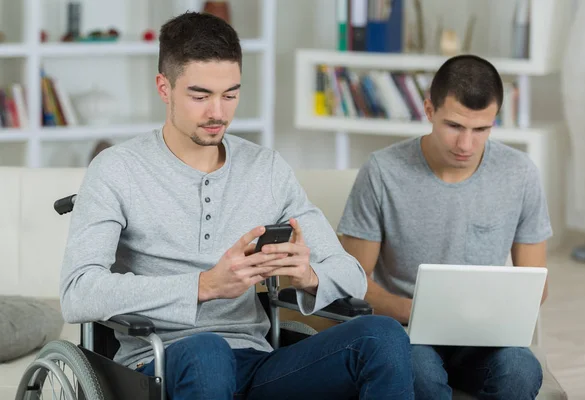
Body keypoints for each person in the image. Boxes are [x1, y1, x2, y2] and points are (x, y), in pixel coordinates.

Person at [59, 11, 415, 400]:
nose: (218, 113)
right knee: (207, 351)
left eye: (230, 95)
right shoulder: (117, 169)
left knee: (382, 335)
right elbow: (78, 291)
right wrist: (202, 286)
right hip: (160, 365)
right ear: (164, 88)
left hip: (256, 363)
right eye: (200, 95)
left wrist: (308, 276)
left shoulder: (267, 169)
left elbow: (350, 275)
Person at [337, 54, 551, 400]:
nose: (465, 145)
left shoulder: (520, 173)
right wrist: (415, 310)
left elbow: (536, 281)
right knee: (417, 373)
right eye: (454, 126)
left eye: (481, 129)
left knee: (520, 372)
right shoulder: (382, 170)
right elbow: (351, 279)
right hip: (410, 332)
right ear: (429, 110)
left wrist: (502, 310)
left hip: (486, 337)